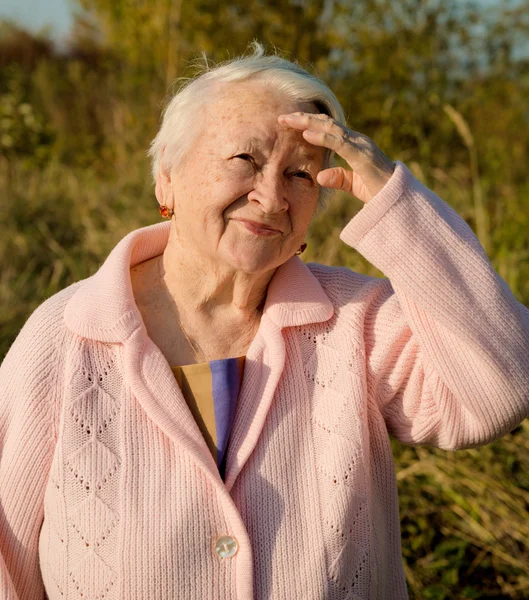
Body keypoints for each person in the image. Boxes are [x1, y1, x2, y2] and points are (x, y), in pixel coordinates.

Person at [1, 42, 528, 600]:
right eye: (244, 161)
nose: (272, 196)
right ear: (167, 178)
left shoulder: (355, 322)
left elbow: (501, 390)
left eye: (301, 174)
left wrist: (394, 201)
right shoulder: (66, 336)